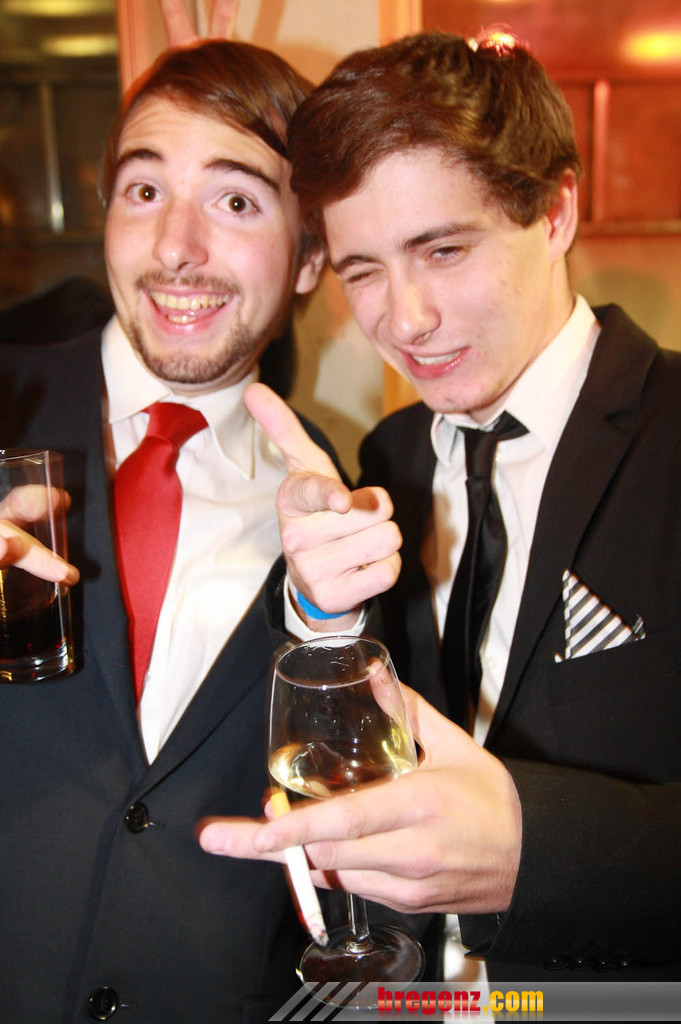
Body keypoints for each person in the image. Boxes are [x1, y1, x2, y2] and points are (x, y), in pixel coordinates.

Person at [199, 31, 681, 985]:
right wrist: (319, 611)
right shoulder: (391, 458)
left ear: (554, 212)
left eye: (444, 250)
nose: (404, 319)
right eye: (363, 271)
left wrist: (533, 851)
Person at [0, 37, 328, 1024]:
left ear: (312, 254)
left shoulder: (342, 506)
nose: (176, 246)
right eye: (145, 191)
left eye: (235, 201)